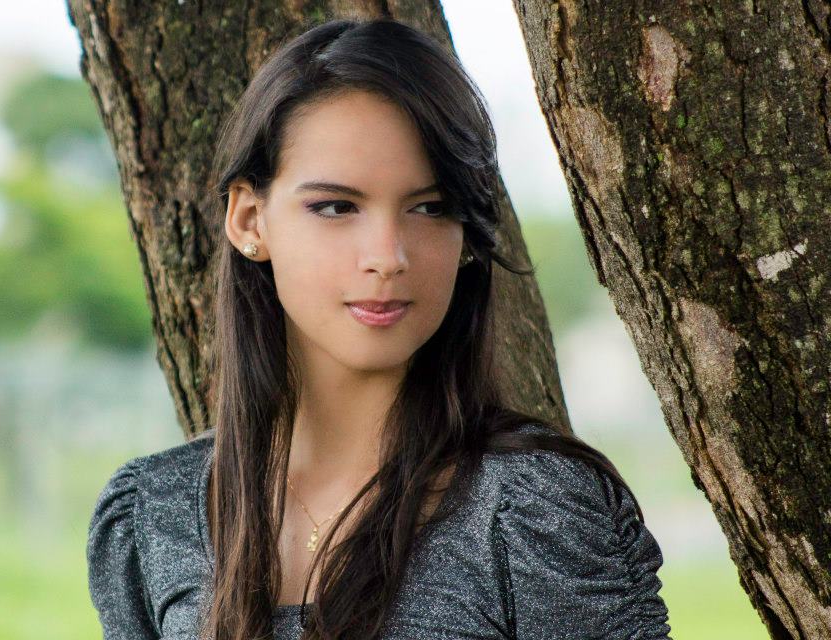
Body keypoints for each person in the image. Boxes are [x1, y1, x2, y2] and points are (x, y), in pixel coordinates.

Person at [86, 16, 673, 640]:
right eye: (337, 207)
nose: (388, 255)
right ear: (250, 220)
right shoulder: (153, 512)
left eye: (430, 208)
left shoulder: (534, 508)